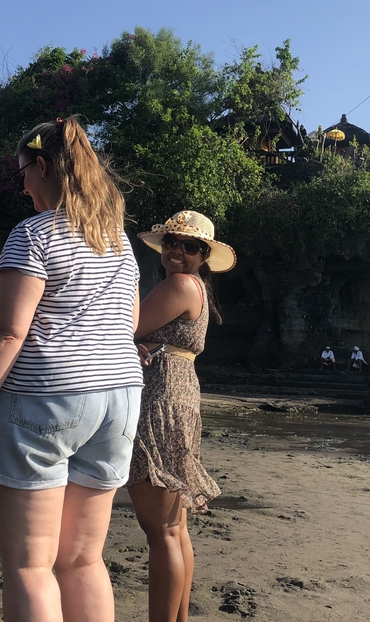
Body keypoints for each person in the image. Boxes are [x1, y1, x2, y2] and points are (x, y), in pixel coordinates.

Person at [0, 116, 144, 622]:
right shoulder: (117, 239)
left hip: (46, 396)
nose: (22, 186)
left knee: (30, 566)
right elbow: (129, 323)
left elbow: (7, 332)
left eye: (23, 173)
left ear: (41, 166)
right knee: (83, 559)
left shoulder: (34, 234)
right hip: (119, 397)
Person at [127, 210, 236, 622]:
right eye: (171, 242)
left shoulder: (179, 285)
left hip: (158, 401)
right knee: (174, 530)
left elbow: (121, 328)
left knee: (162, 533)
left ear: (203, 256)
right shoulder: (198, 289)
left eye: (189, 246)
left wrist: (132, 340)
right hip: (180, 397)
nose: (176, 251)